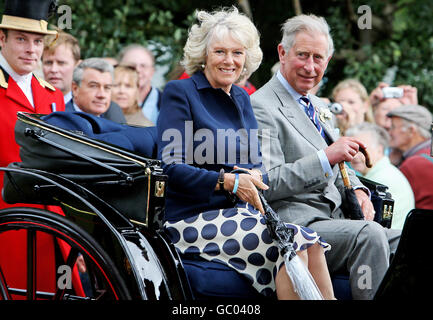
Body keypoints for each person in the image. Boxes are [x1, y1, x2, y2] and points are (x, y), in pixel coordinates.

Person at [157, 7, 335, 300]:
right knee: (294, 242)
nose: (229, 61)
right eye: (220, 52)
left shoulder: (241, 96)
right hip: (190, 217)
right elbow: (171, 168)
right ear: (204, 54)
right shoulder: (181, 92)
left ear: (246, 58)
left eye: (237, 53)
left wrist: (254, 175)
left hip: (240, 212)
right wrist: (227, 181)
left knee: (311, 243)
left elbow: (255, 164)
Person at [251, 14, 401, 300]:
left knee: (411, 241)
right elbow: (267, 183)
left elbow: (339, 163)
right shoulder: (261, 106)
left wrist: (357, 188)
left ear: (328, 61)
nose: (310, 67)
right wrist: (324, 157)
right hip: (295, 227)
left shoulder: (317, 104)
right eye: (302, 55)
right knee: (369, 235)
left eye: (318, 58)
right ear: (282, 53)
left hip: (335, 219)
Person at [0, 0, 69, 295]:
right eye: (21, 39)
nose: (31, 49)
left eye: (38, 41)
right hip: (6, 223)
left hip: (52, 224)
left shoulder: (53, 97)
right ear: (1, 39)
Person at [345, 122, 415, 230]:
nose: (354, 156)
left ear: (379, 149)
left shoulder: (381, 180)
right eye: (352, 149)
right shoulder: (386, 172)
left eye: (361, 150)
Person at [386, 104, 433, 210]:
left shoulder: (414, 164)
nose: (390, 133)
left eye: (393, 127)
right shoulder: (426, 154)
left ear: (411, 130)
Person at [66, 57, 126, 123]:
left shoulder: (114, 115)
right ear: (75, 89)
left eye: (107, 88)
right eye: (94, 86)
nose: (102, 95)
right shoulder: (60, 120)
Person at [118, 44, 161, 124]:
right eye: (131, 66)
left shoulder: (166, 102)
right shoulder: (105, 100)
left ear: (152, 71)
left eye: (143, 66)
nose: (138, 70)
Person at [42, 31, 81, 104]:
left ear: (77, 66)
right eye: (48, 63)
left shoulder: (89, 108)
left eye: (61, 63)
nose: (53, 69)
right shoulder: (31, 102)